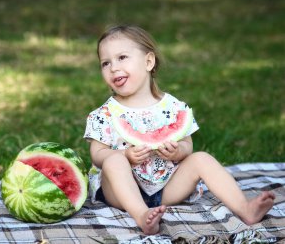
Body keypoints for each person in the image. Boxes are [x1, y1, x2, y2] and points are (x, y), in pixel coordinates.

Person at [83, 25, 276, 235]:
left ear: (149, 61)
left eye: (122, 57)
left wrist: (179, 151)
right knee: (113, 160)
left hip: (166, 188)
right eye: (105, 63)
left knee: (201, 158)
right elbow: (97, 154)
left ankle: (245, 208)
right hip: (120, 193)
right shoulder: (105, 113)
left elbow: (188, 145)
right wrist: (124, 155)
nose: (113, 67)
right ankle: (141, 215)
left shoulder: (174, 107)